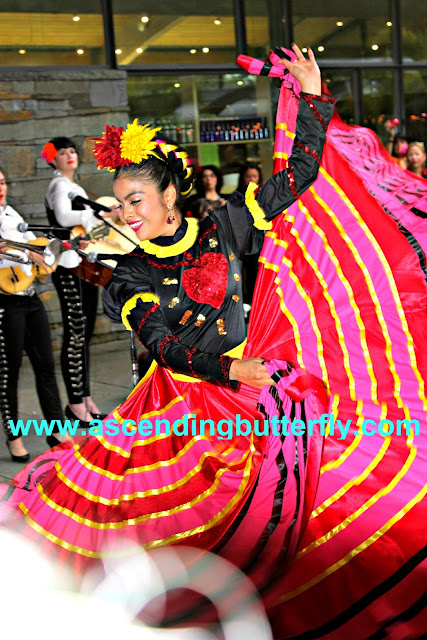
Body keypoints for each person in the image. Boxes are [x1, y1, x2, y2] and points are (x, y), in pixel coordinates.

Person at [0, 167, 69, 462]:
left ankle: (56, 429)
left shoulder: (12, 213)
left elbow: (30, 251)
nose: (0, 187)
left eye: (1, 181)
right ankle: (13, 436)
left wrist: (41, 262)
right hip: (6, 302)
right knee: (9, 373)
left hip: (30, 298)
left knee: (45, 366)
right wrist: (28, 253)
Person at [41, 137, 109, 427]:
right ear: (52, 159)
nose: (69, 156)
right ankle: (75, 402)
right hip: (68, 265)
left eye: (72, 151)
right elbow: (63, 216)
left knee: (85, 332)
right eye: (62, 153)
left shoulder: (74, 187)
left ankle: (85, 399)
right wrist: (96, 212)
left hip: (82, 264)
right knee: (76, 332)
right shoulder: (59, 186)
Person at [237, 162, 264, 306]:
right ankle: (245, 303)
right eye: (248, 176)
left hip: (259, 240)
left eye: (255, 176)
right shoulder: (236, 197)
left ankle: (256, 302)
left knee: (256, 272)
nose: (251, 179)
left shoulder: (264, 195)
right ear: (242, 178)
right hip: (240, 241)